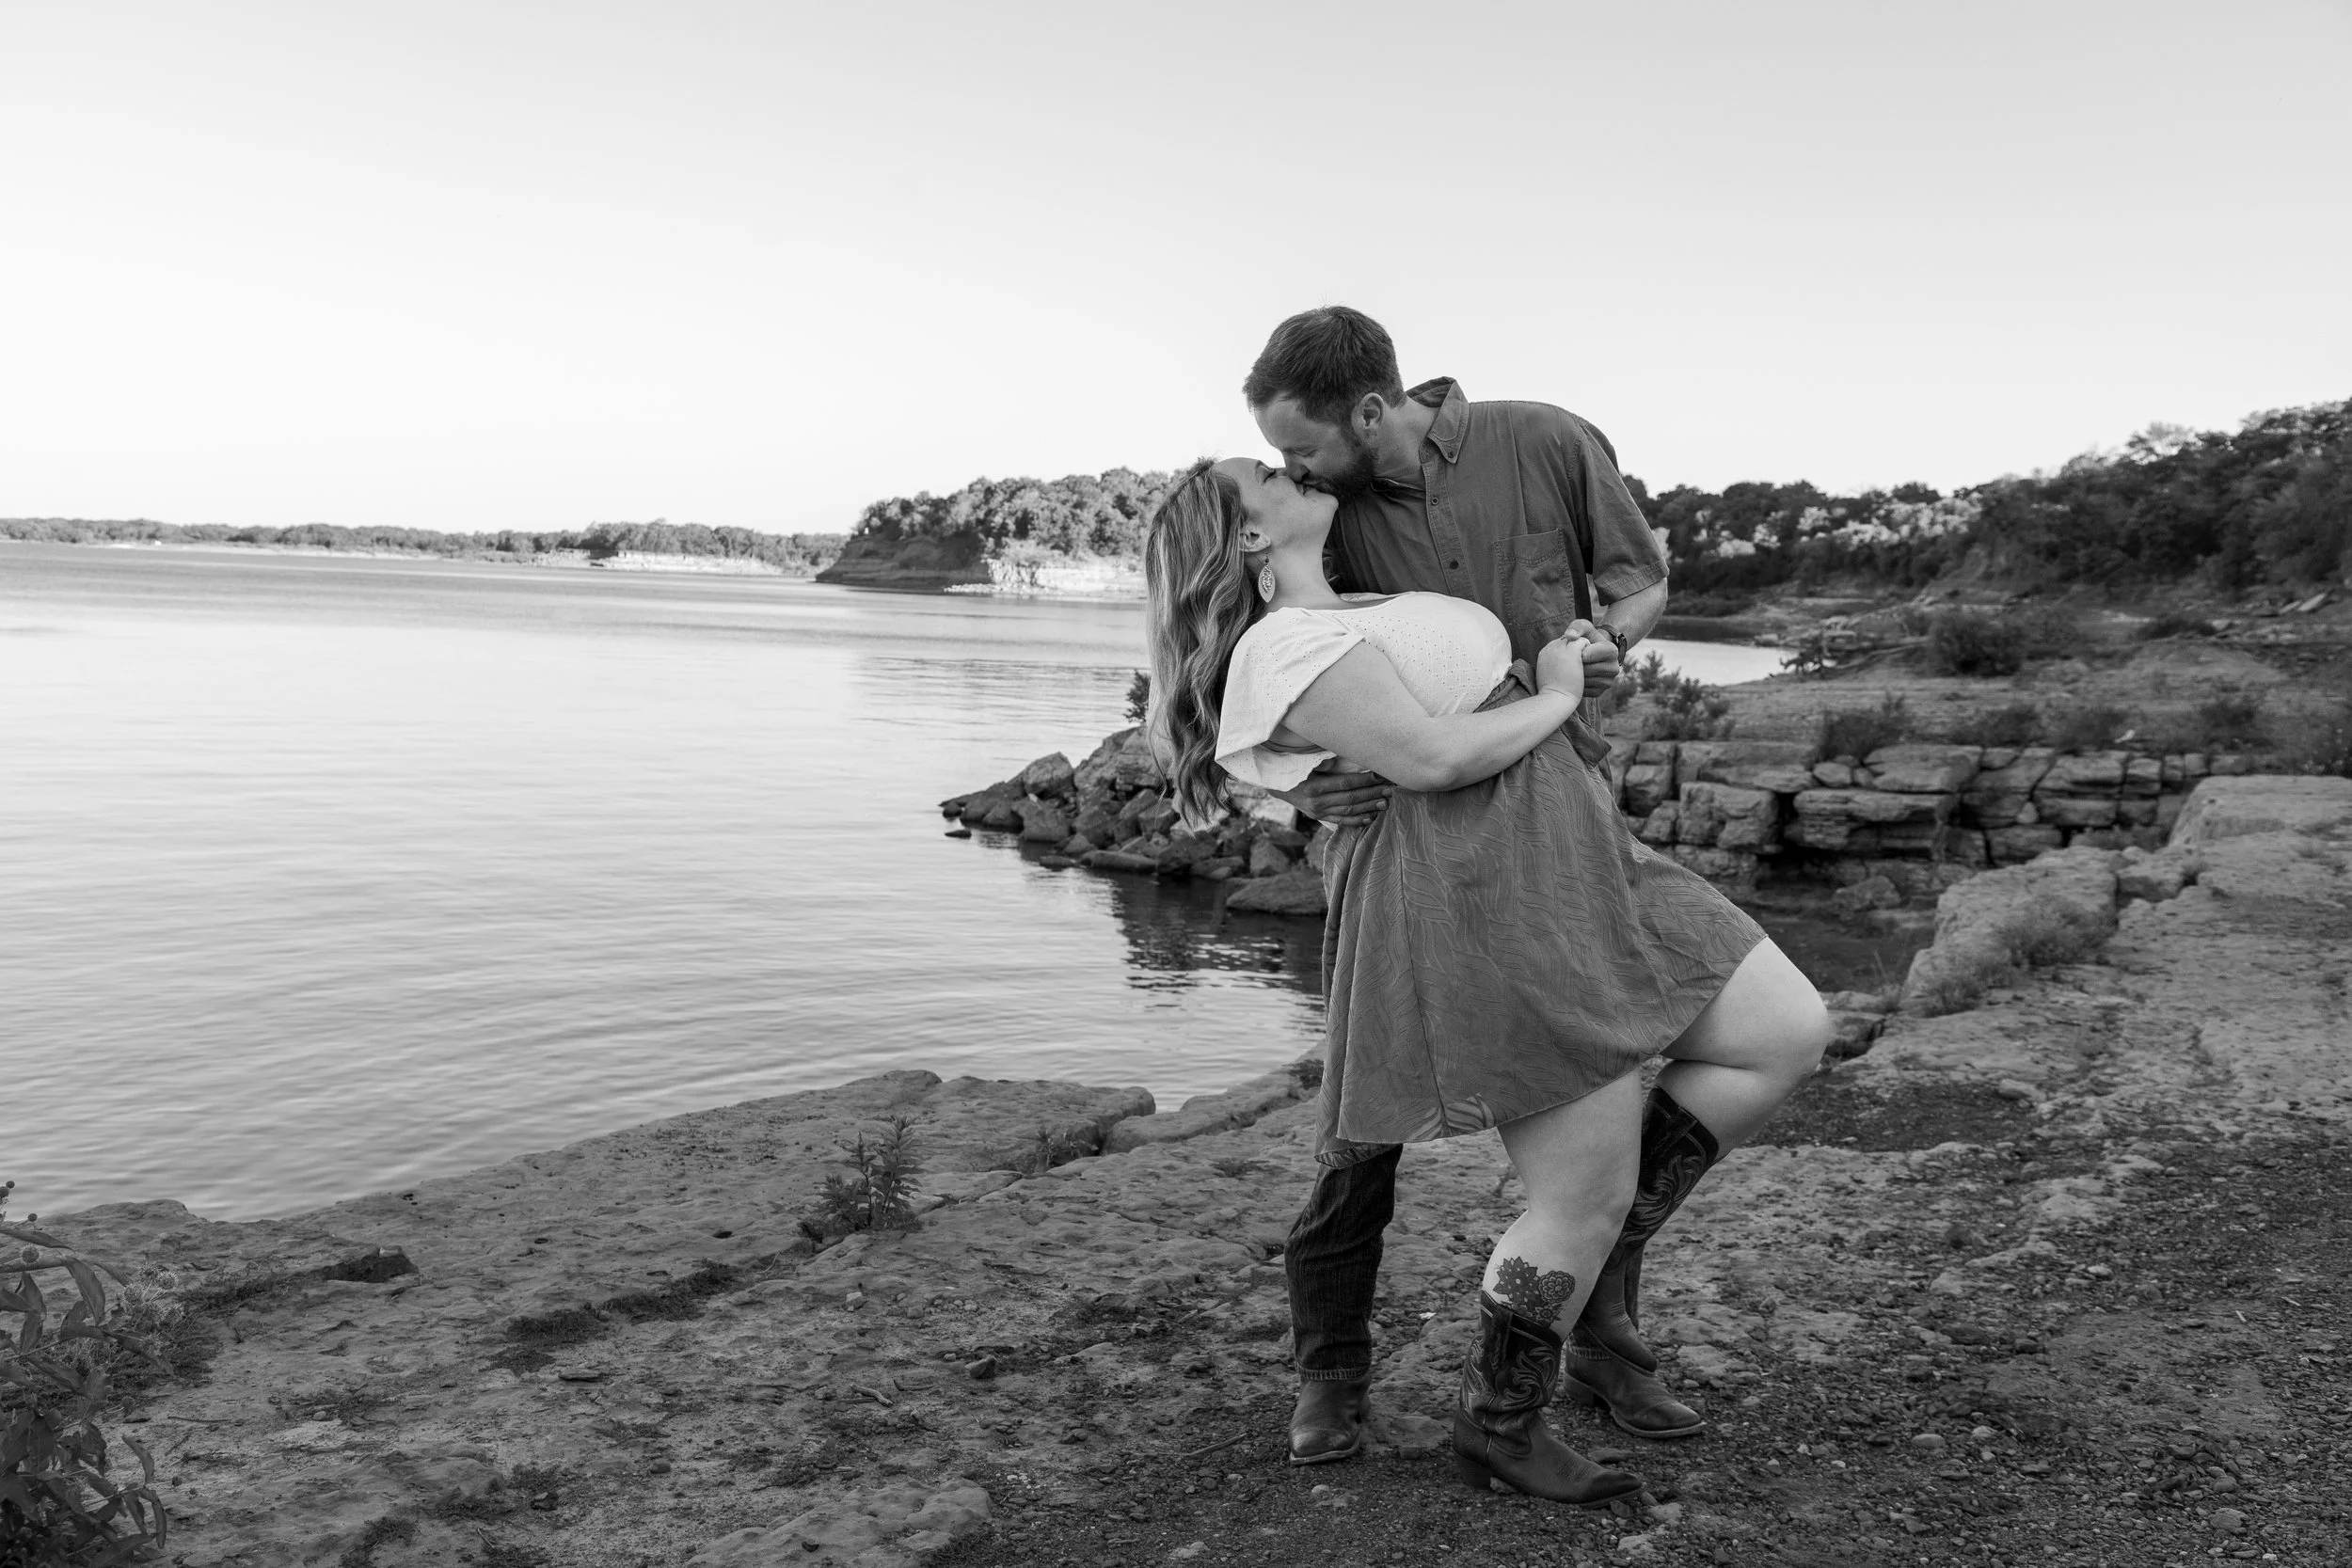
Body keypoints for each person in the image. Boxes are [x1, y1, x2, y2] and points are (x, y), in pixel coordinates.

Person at [1142, 451, 1825, 1505]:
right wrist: (1553, 694)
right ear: (1243, 537)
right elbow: (1429, 759)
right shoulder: (1285, 645)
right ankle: (1498, 1419)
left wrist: (1573, 662)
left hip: (1582, 853)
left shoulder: (1358, 591)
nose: (1284, 466)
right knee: (1572, 1194)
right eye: (1259, 473)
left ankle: (1587, 1288)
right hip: (1488, 886)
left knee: (1780, 1027)